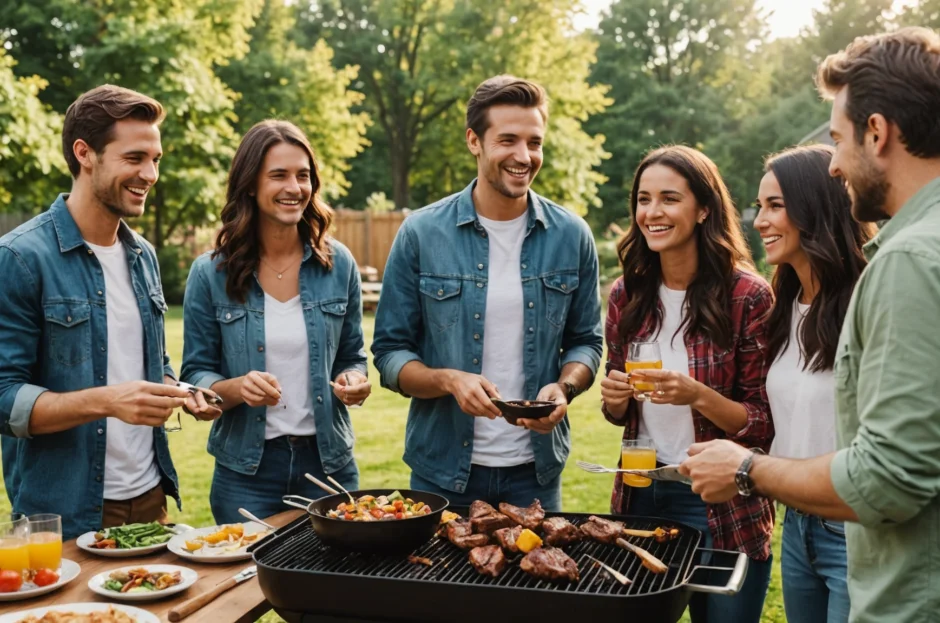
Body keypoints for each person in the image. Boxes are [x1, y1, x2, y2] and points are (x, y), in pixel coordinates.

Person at [680, 27, 940, 622]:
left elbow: (889, 478)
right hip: (808, 528)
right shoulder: (790, 301)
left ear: (878, 133)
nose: (836, 165)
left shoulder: (908, 261)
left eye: (839, 140)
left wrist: (746, 468)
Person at [371, 76, 603, 511]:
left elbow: (587, 342)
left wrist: (564, 387)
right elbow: (389, 354)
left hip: (535, 474)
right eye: (508, 140)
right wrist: (449, 380)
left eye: (534, 143)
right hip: (442, 471)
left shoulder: (572, 235)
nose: (524, 156)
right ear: (474, 141)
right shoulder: (421, 232)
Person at [0, 85, 220, 539]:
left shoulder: (144, 256)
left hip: (152, 500)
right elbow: (4, 399)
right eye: (135, 158)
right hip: (63, 514)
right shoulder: (20, 258)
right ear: (84, 153)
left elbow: (151, 365)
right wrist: (108, 401)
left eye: (155, 159)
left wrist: (178, 391)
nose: (150, 174)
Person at [600, 145, 774, 622]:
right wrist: (614, 400)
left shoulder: (747, 296)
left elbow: (763, 422)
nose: (652, 212)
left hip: (721, 499)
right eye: (644, 199)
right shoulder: (627, 294)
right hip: (642, 491)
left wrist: (697, 394)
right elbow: (618, 411)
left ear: (703, 210)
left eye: (669, 198)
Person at [181, 120, 370, 524]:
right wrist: (237, 387)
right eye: (279, 175)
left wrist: (354, 379)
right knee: (248, 567)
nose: (294, 187)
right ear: (251, 184)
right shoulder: (210, 273)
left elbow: (352, 356)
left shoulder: (338, 264)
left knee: (339, 565)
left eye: (303, 175)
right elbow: (195, 373)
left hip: (328, 464)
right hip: (246, 472)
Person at [755, 144, 874, 623]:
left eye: (775, 206)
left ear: (815, 209)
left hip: (854, 529)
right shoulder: (784, 307)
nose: (759, 221)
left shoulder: (867, 301)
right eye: (759, 206)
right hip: (797, 522)